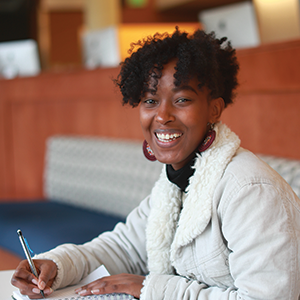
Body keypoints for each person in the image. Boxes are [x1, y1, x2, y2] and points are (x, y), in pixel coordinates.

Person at [11, 27, 300, 299]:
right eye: (150, 101)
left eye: (182, 99)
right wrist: (54, 265)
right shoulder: (175, 183)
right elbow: (124, 248)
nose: (162, 116)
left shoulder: (250, 190)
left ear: (214, 109)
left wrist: (153, 289)